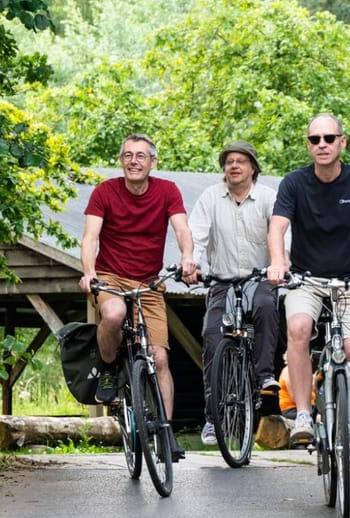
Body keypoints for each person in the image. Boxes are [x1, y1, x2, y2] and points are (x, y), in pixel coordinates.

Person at [267, 113, 350, 465]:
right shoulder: (294, 183)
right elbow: (277, 228)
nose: (321, 145)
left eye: (329, 138)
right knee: (298, 329)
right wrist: (278, 262)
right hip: (306, 279)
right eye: (315, 140)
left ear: (342, 142)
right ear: (309, 145)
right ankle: (305, 416)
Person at [79, 133, 198, 461]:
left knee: (159, 358)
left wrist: (188, 257)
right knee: (114, 315)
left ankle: (166, 431)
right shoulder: (105, 191)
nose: (134, 160)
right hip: (111, 277)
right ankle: (106, 368)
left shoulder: (167, 191)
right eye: (128, 155)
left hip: (148, 282)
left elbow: (182, 229)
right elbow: (90, 237)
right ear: (121, 161)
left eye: (141, 156)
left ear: (152, 162)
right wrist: (89, 273)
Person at [189, 140, 279, 446]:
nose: (234, 166)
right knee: (212, 336)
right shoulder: (210, 198)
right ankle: (213, 419)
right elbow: (197, 237)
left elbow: (281, 236)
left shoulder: (268, 198)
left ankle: (264, 375)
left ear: (253, 168)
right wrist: (192, 262)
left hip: (260, 277)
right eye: (229, 161)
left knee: (267, 306)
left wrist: (280, 264)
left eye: (241, 161)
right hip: (222, 279)